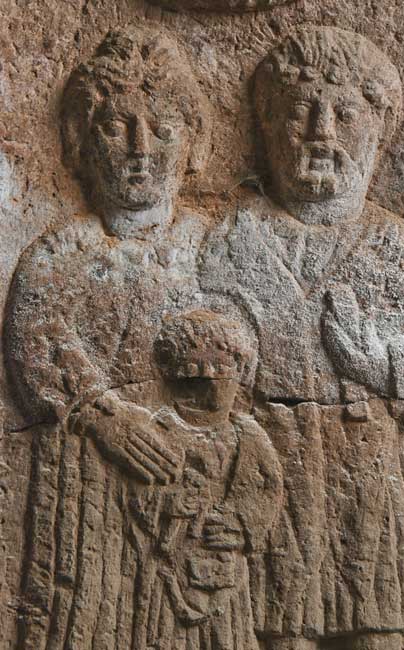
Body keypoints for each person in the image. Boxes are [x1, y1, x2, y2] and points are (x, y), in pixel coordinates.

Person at [200, 27, 404, 649]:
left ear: (377, 131)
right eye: (300, 112)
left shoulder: (392, 242)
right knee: (281, 625)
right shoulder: (236, 235)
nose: (321, 132)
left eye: (344, 115)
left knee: (378, 623)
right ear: (268, 125)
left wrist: (373, 361)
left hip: (368, 458)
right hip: (268, 456)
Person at [5, 26, 212, 650]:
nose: (140, 149)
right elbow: (34, 346)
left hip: (194, 488)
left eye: (161, 127)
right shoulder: (57, 255)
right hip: (88, 487)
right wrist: (102, 416)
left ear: (193, 140)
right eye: (117, 127)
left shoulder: (216, 245)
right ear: (82, 140)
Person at [74, 309, 284, 650]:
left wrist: (244, 524)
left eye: (220, 373)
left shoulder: (247, 434)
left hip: (223, 565)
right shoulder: (159, 429)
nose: (209, 388)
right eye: (196, 376)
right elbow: (135, 495)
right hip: (166, 569)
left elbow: (268, 488)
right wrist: (170, 505)